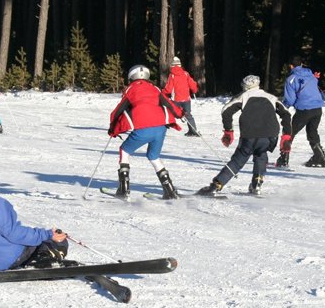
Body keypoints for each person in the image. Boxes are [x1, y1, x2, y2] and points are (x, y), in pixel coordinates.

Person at [196, 75, 291, 196]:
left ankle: (216, 185)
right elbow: (287, 114)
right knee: (261, 153)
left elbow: (226, 110)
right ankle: (256, 184)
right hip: (270, 135)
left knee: (238, 160)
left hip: (250, 134)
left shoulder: (243, 96)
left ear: (245, 86)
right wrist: (286, 136)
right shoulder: (271, 97)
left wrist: (228, 131)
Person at [108, 65, 186, 200]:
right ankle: (169, 190)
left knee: (124, 151)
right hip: (161, 128)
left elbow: (119, 109)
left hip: (143, 129)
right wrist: (180, 114)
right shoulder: (154, 88)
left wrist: (112, 127)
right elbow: (168, 103)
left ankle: (123, 189)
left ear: (131, 77)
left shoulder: (131, 89)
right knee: (153, 156)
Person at [278, 55, 325, 168]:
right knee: (312, 132)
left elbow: (290, 100)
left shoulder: (291, 79)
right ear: (301, 64)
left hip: (304, 110)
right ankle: (320, 157)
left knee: (289, 133)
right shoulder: (311, 75)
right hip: (317, 109)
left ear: (291, 66)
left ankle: (283, 159)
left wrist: (283, 106)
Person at [162, 56, 201, 137]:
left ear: (172, 65)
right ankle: (193, 131)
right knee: (188, 115)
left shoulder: (172, 75)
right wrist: (194, 90)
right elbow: (192, 84)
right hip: (186, 99)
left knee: (170, 113)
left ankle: (162, 129)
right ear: (180, 65)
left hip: (176, 99)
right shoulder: (186, 73)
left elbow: (169, 88)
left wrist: (163, 93)